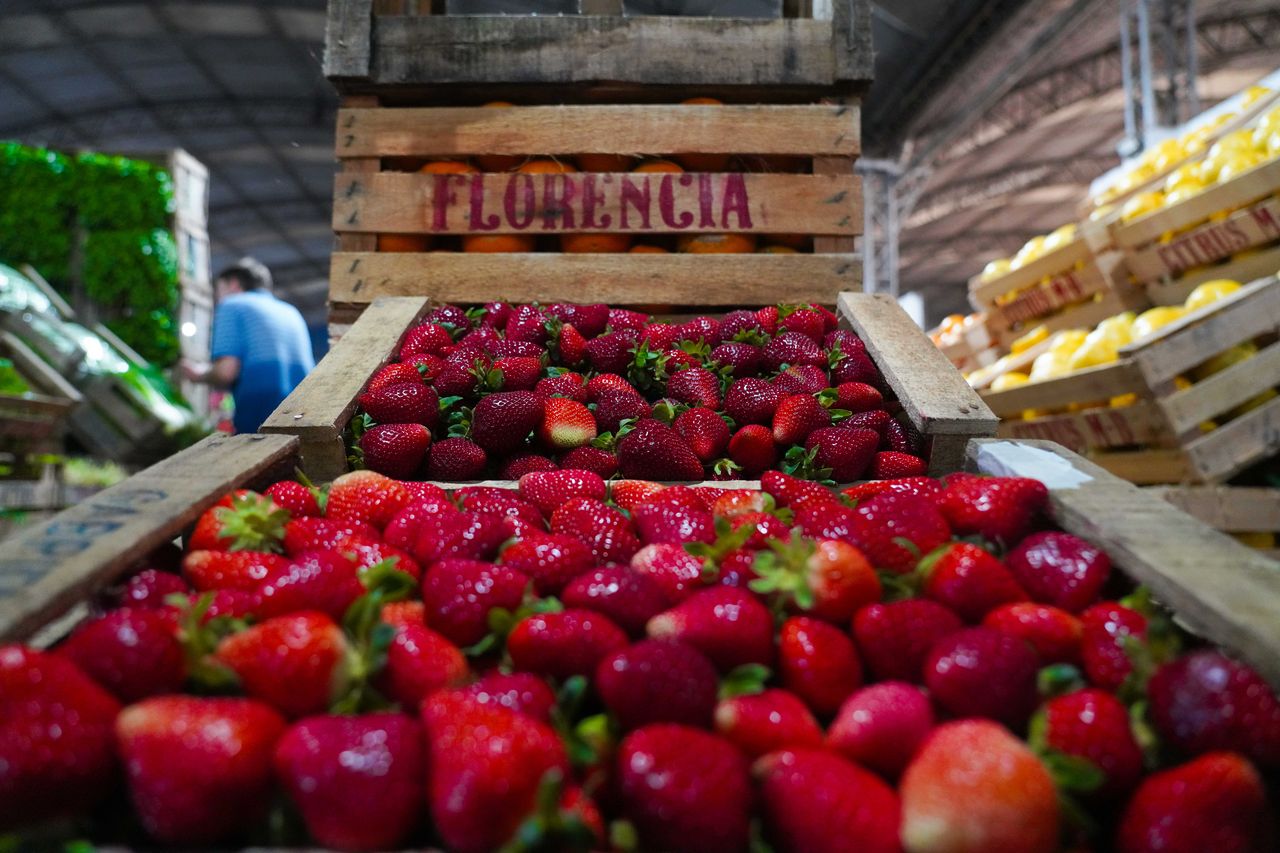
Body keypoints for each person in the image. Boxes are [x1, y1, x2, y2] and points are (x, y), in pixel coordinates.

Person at [181, 258, 315, 434]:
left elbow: (226, 372)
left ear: (233, 285)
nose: (218, 298)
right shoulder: (291, 311)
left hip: (262, 416)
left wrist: (199, 374)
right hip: (304, 413)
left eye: (219, 290)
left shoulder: (232, 304)